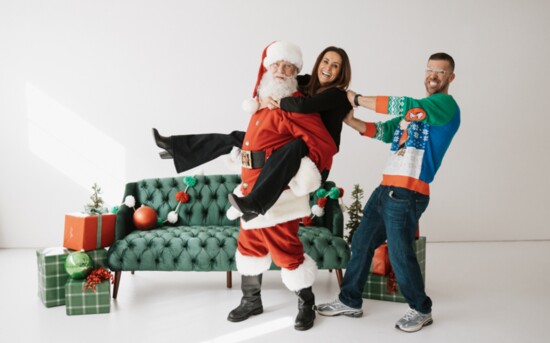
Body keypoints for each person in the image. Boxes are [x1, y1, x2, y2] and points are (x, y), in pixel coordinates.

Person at [316, 52, 460, 333]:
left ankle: (421, 309)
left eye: (440, 72)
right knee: (362, 240)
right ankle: (350, 300)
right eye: (430, 69)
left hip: (409, 192)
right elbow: (382, 131)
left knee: (399, 251)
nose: (433, 75)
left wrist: (357, 98)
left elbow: (405, 104)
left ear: (450, 78)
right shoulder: (413, 115)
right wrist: (350, 119)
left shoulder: (444, 105)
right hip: (386, 188)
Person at [227, 46, 352, 221]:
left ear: (341, 73)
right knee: (239, 137)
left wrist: (278, 102)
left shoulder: (337, 94)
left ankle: (256, 203)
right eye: (325, 61)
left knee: (295, 145)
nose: (328, 68)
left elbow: (302, 106)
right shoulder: (308, 83)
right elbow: (279, 78)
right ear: (318, 63)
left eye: (335, 66)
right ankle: (179, 148)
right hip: (300, 143)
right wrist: (262, 100)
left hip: (319, 156)